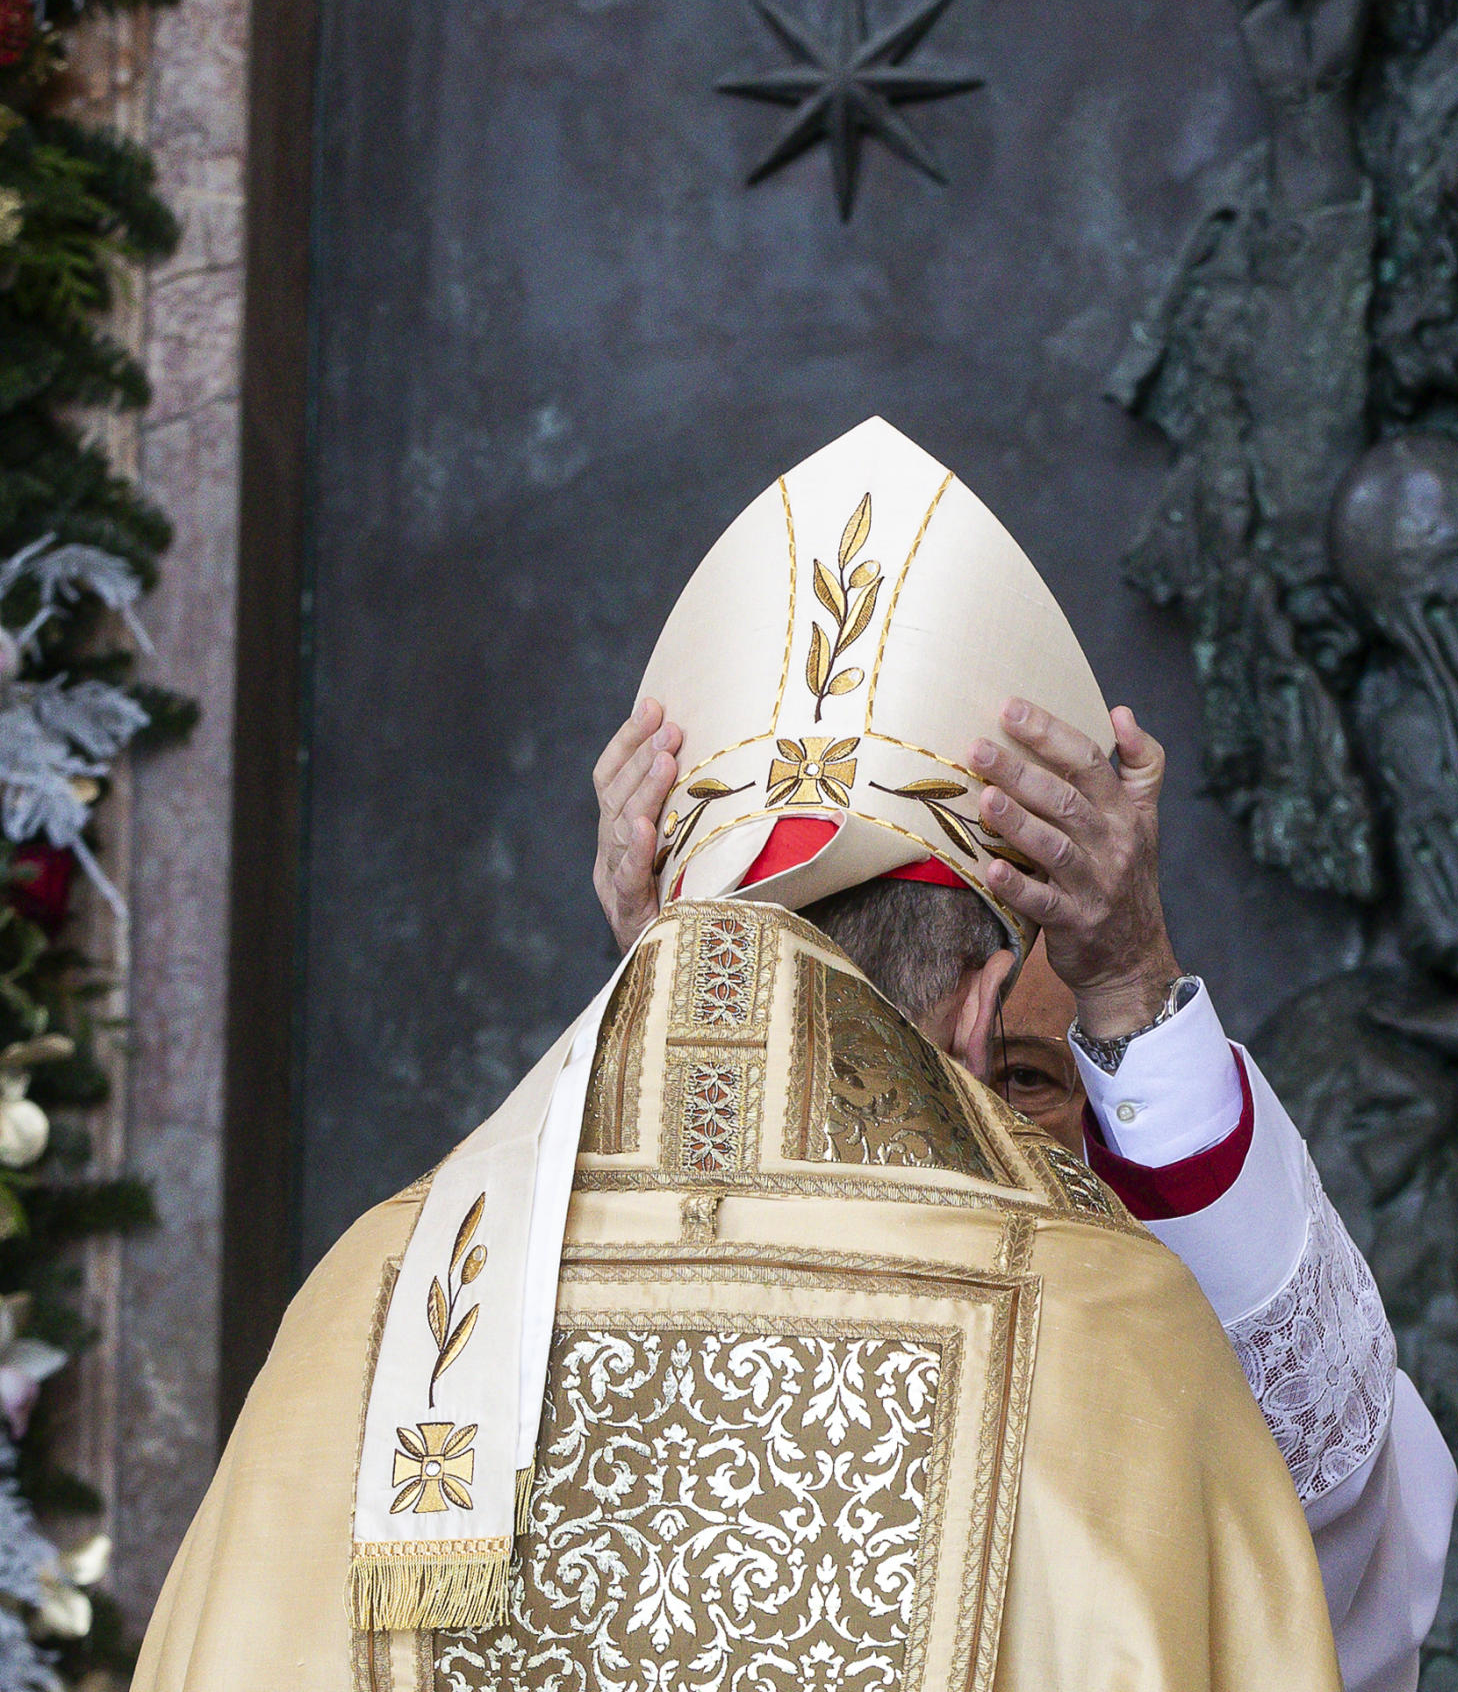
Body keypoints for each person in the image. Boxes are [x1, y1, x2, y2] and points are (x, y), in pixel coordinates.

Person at [132, 421, 1372, 1692]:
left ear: (669, 951)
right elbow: (1333, 1574)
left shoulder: (382, 1306)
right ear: (981, 1005)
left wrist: (668, 973)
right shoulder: (1106, 1332)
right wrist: (1130, 978)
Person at [584, 597, 1456, 1692]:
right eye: (856, 1046)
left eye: (1031, 1078)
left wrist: (1135, 988)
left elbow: (1318, 1535)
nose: (958, 1112)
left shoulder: (1111, 1345)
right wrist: (676, 985)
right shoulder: (579, 1293)